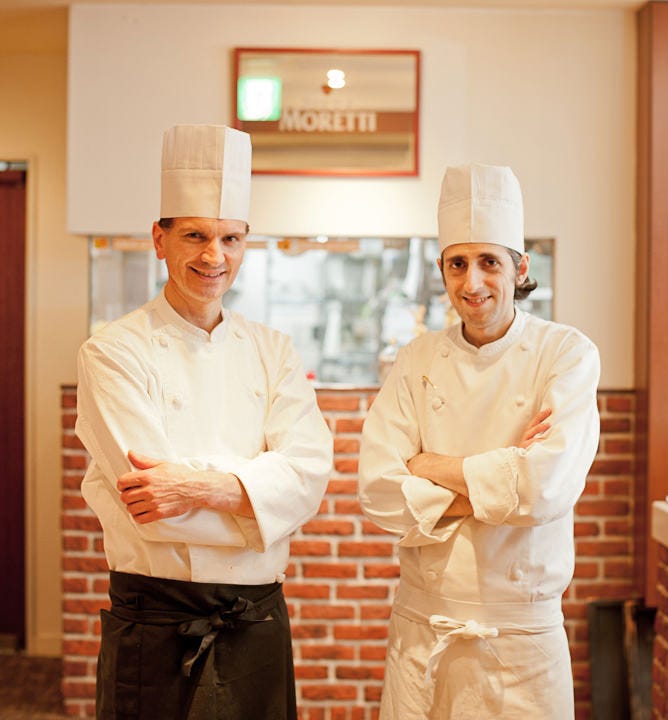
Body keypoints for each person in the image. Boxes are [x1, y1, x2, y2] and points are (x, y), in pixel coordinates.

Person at [76, 124, 333, 719]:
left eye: (230, 238)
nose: (214, 256)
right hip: (156, 619)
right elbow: (151, 511)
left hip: (257, 619)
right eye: (195, 235)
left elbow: (308, 479)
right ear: (159, 239)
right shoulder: (112, 352)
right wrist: (261, 499)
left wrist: (193, 487)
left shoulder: (274, 350)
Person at [358, 162, 600, 719]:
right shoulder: (416, 359)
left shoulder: (566, 354)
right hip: (424, 635)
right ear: (442, 269)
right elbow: (377, 492)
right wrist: (500, 482)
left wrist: (428, 465)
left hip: (522, 642)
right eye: (457, 263)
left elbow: (545, 487)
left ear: (520, 267)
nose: (472, 283)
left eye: (489, 262)